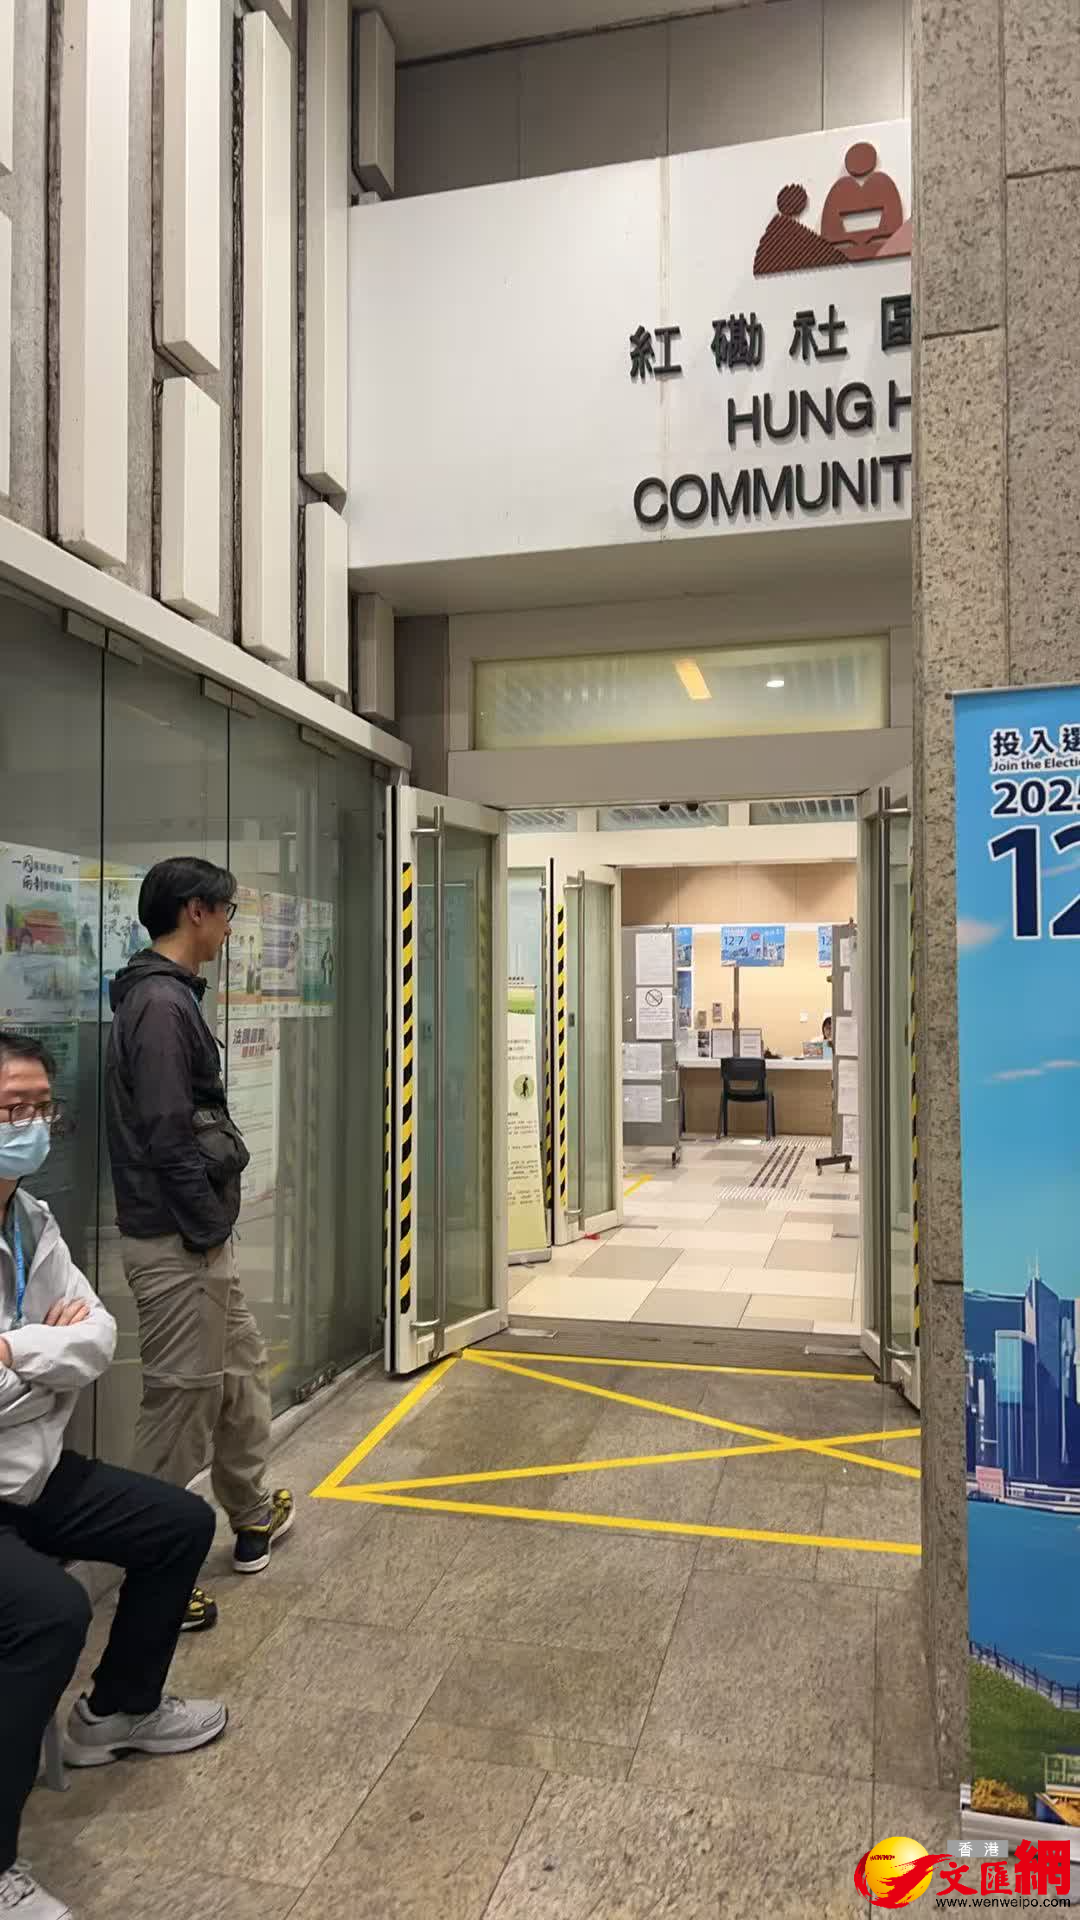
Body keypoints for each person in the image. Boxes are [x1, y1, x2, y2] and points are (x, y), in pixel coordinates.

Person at [0, 1029, 226, 1920]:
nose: (28, 1124)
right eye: (8, 1109)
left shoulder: (31, 1218)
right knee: (49, 1615)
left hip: (29, 1471)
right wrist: (46, 1361)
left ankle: (116, 1713)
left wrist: (17, 1352)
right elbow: (67, 1357)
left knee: (179, 1524)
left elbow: (97, 1336)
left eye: (37, 1107)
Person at [104, 857, 293, 1636]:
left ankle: (249, 1511)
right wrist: (207, 1228)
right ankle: (154, 1568)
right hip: (177, 1240)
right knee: (180, 1405)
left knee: (240, 1374)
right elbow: (166, 1134)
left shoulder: (171, 995)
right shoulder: (158, 1004)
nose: (230, 928)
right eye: (227, 913)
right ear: (195, 912)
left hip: (198, 1238)